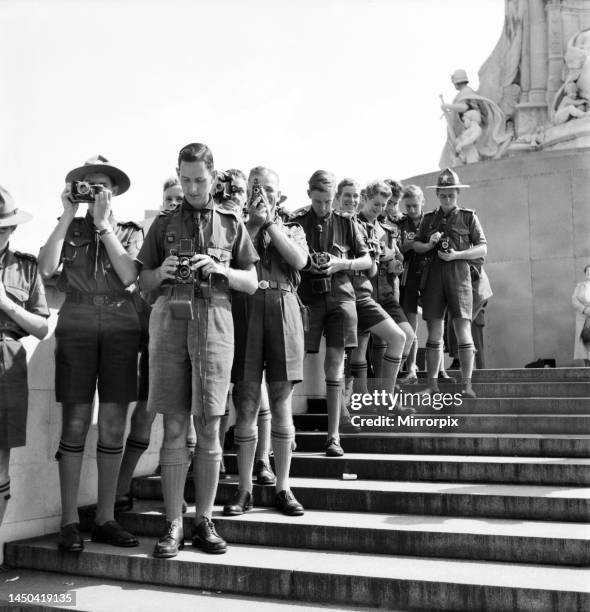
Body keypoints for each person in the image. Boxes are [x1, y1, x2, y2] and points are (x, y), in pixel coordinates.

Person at [138, 143, 258, 558]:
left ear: (213, 175)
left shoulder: (231, 223)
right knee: (174, 426)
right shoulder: (163, 223)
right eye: (185, 179)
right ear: (178, 173)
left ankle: (204, 520)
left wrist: (221, 268)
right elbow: (143, 283)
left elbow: (252, 281)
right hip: (170, 321)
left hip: (215, 321)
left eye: (199, 180)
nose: (191, 187)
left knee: (208, 425)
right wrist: (162, 271)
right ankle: (173, 522)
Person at [39, 155, 142, 552]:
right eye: (88, 185)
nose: (95, 191)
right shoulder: (69, 228)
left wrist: (103, 226)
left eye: (102, 186)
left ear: (114, 192)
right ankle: (68, 521)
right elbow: (47, 269)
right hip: (78, 318)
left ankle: (105, 518)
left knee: (115, 422)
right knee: (76, 421)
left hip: (120, 321)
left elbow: (131, 274)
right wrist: (67, 215)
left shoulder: (129, 231)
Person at [225, 166, 308, 517]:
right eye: (256, 187)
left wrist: (270, 222)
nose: (262, 193)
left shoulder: (292, 228)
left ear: (280, 195)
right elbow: (228, 260)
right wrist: (254, 224)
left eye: (268, 189)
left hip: (284, 309)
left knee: (281, 404)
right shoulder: (234, 228)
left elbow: (300, 261)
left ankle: (283, 487)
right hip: (245, 312)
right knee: (245, 403)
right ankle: (244, 489)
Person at [115, 176, 196, 512]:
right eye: (169, 198)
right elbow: (138, 284)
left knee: (190, 417)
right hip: (155, 332)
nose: (175, 203)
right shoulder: (149, 232)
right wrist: (162, 271)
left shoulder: (201, 231)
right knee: (145, 413)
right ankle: (120, 489)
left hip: (195, 330)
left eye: (180, 198)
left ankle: (183, 488)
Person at [292, 170, 371, 457]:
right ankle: (285, 433)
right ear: (309, 194)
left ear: (334, 196)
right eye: (318, 201)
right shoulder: (297, 222)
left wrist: (342, 264)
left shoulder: (347, 223)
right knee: (293, 361)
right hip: (309, 299)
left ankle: (333, 436)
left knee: (335, 365)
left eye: (328, 201)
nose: (323, 207)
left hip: (340, 297)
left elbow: (367, 260)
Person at [0, 187, 49, 542]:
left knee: (0, 459)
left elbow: (42, 327)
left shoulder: (25, 267)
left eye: (5, 227)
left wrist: (6, 304)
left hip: (6, 362)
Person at [413, 168, 487, 399]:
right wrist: (428, 244)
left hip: (459, 276)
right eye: (443, 194)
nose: (446, 199)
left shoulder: (468, 217)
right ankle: (432, 384)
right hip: (434, 277)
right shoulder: (428, 220)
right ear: (437, 193)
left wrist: (456, 255)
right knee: (434, 332)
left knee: (463, 329)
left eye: (450, 195)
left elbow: (483, 247)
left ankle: (467, 385)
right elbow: (415, 245)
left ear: (457, 193)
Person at [348, 181, 411, 409]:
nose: (380, 208)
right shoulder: (351, 223)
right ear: (365, 198)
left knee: (403, 337)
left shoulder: (381, 227)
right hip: (358, 292)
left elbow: (387, 260)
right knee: (361, 350)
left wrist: (392, 262)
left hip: (379, 292)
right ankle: (366, 400)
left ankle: (384, 397)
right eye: (376, 204)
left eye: (383, 205)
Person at [398, 185, 427, 382]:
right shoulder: (401, 224)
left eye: (415, 206)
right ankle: (411, 368)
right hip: (408, 278)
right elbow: (399, 248)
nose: (411, 210)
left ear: (422, 202)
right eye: (408, 206)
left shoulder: (432, 221)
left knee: (436, 324)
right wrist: (415, 244)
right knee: (410, 325)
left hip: (429, 277)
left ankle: (438, 370)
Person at [572, 264, 590, 366]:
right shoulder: (580, 286)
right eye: (587, 271)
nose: (589, 273)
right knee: (585, 340)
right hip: (583, 317)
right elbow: (574, 300)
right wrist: (584, 309)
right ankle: (587, 368)